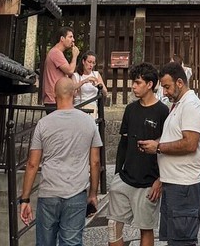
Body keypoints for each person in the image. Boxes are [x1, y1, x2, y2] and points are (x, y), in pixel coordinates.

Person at [18, 77, 101, 246]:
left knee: (44, 242)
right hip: (76, 192)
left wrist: (25, 199)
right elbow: (95, 163)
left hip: (48, 192)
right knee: (71, 242)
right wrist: (93, 193)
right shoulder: (88, 122)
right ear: (75, 93)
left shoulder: (43, 124)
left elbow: (32, 164)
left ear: (54, 96)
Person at [137, 61, 200, 246]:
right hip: (174, 182)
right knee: (174, 240)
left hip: (185, 185)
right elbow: (173, 137)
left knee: (182, 241)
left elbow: (190, 143)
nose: (165, 92)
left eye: (167, 87)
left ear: (180, 83)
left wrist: (158, 148)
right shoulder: (178, 104)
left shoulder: (191, 105)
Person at [109, 62, 169, 246]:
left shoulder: (162, 111)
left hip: (148, 182)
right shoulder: (130, 109)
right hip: (125, 178)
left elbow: (166, 148)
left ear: (149, 84)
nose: (133, 87)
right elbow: (123, 143)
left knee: (145, 228)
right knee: (113, 227)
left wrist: (160, 180)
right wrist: (117, 173)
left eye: (137, 82)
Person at [41, 28, 79, 111]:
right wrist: (75, 56)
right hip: (54, 100)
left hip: (56, 99)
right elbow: (70, 70)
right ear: (62, 38)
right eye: (70, 37)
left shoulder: (57, 52)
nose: (73, 40)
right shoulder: (56, 52)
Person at [73, 50, 108, 118]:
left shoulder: (96, 74)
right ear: (83, 61)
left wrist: (99, 84)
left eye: (93, 63)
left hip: (92, 106)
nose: (91, 65)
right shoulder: (75, 75)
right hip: (79, 105)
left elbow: (105, 92)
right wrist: (84, 81)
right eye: (89, 62)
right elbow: (73, 92)